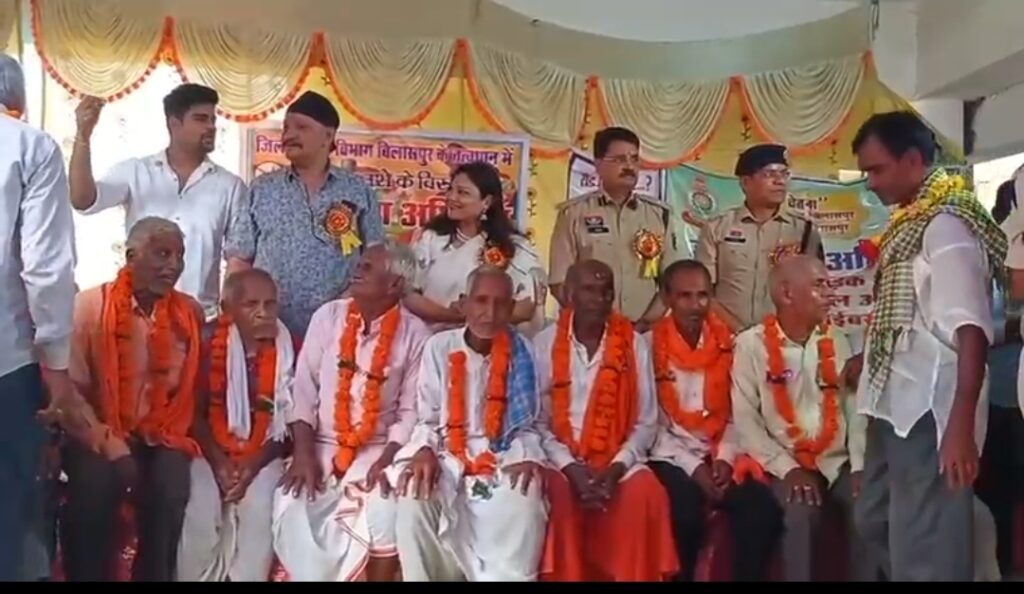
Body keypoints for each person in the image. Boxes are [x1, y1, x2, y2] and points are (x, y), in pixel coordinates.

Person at [851, 111, 1006, 581]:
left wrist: (960, 423)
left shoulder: (946, 226)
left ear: (913, 161)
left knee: (922, 544)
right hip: (892, 402)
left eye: (876, 169)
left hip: (931, 407)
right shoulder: (910, 222)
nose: (870, 183)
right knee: (876, 518)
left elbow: (971, 328)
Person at [272, 241, 430, 581]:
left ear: (394, 284)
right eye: (360, 264)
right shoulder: (328, 317)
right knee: (293, 502)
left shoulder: (416, 334)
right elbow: (303, 390)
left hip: (379, 449)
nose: (357, 270)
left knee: (383, 508)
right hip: (320, 444)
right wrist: (302, 455)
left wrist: (386, 459)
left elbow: (409, 412)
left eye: (368, 267)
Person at [62, 217, 205, 582]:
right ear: (130, 256)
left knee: (172, 486)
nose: (174, 265)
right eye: (162, 254)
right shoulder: (90, 307)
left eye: (179, 255)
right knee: (95, 486)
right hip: (97, 431)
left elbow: (190, 392)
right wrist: (111, 445)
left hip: (162, 434)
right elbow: (72, 392)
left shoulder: (188, 313)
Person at [391, 266, 547, 581]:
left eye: (501, 304)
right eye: (481, 301)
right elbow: (428, 418)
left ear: (511, 309)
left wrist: (527, 455)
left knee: (527, 502)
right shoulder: (439, 347)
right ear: (463, 303)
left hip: (503, 456)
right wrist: (424, 450)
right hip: (447, 455)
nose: (490, 313)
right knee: (413, 497)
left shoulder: (524, 351)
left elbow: (530, 423)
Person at [534, 259, 678, 581]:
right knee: (555, 493)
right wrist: (570, 467)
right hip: (559, 461)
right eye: (589, 290)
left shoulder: (633, 344)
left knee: (646, 492)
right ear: (569, 294)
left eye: (606, 292)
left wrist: (616, 468)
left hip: (617, 460)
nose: (599, 300)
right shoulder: (543, 344)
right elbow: (538, 423)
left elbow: (645, 422)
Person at [731, 255, 871, 582]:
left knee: (868, 506)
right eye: (820, 285)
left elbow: (854, 409)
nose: (830, 293)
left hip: (836, 461)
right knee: (801, 514)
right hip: (784, 461)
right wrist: (789, 469)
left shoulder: (837, 339)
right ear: (786, 293)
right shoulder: (751, 346)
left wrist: (859, 466)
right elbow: (746, 422)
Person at [646, 259, 782, 581]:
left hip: (721, 451)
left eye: (703, 295)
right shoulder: (647, 347)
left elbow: (738, 412)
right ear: (666, 298)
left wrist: (724, 458)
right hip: (670, 456)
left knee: (761, 508)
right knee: (684, 512)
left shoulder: (729, 344)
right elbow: (651, 424)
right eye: (685, 296)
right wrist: (695, 469)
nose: (696, 305)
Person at [0, 54, 82, 582]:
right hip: (7, 364)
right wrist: (57, 369)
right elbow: (46, 269)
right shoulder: (28, 145)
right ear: (18, 100)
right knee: (10, 515)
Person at [69, 84, 249, 318]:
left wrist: (226, 319)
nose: (211, 127)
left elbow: (238, 258)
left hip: (200, 320)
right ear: (174, 123)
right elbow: (83, 200)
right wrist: (83, 136)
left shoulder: (230, 186)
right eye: (200, 119)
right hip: (138, 317)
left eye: (213, 120)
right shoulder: (136, 172)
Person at [226, 91, 385, 338]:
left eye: (301, 127)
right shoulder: (262, 188)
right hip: (268, 328)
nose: (289, 135)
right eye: (286, 128)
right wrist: (232, 312)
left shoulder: (357, 191)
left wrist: (349, 302)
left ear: (328, 136)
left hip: (339, 328)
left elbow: (375, 258)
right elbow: (240, 259)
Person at [176, 269, 294, 581]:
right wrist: (219, 463)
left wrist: (253, 465)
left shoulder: (289, 346)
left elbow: (288, 425)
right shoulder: (205, 342)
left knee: (262, 505)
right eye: (251, 304)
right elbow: (192, 413)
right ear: (227, 309)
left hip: (264, 453)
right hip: (207, 450)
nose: (263, 313)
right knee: (200, 506)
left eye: (270, 304)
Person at [548, 127, 681, 331]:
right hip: (592, 331)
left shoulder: (659, 215)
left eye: (634, 159)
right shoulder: (573, 214)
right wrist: (592, 319)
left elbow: (671, 281)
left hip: (646, 332)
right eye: (619, 159)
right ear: (598, 165)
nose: (629, 166)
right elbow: (559, 282)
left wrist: (645, 323)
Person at [695, 144, 823, 333]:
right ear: (746, 182)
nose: (780, 181)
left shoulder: (804, 231)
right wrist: (740, 332)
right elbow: (703, 292)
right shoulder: (717, 228)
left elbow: (814, 290)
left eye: (784, 174)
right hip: (726, 336)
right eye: (770, 174)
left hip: (784, 338)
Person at [407, 161, 540, 331]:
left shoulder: (514, 247)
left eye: (462, 192)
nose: (451, 197)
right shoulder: (431, 238)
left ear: (486, 202)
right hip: (430, 338)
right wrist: (451, 316)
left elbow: (525, 307)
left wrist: (477, 320)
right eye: (451, 189)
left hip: (489, 339)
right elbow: (408, 294)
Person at [979, 179, 1024, 575]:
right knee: (997, 490)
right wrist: (1012, 329)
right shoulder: (986, 263)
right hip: (995, 397)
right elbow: (971, 329)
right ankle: (1000, 565)